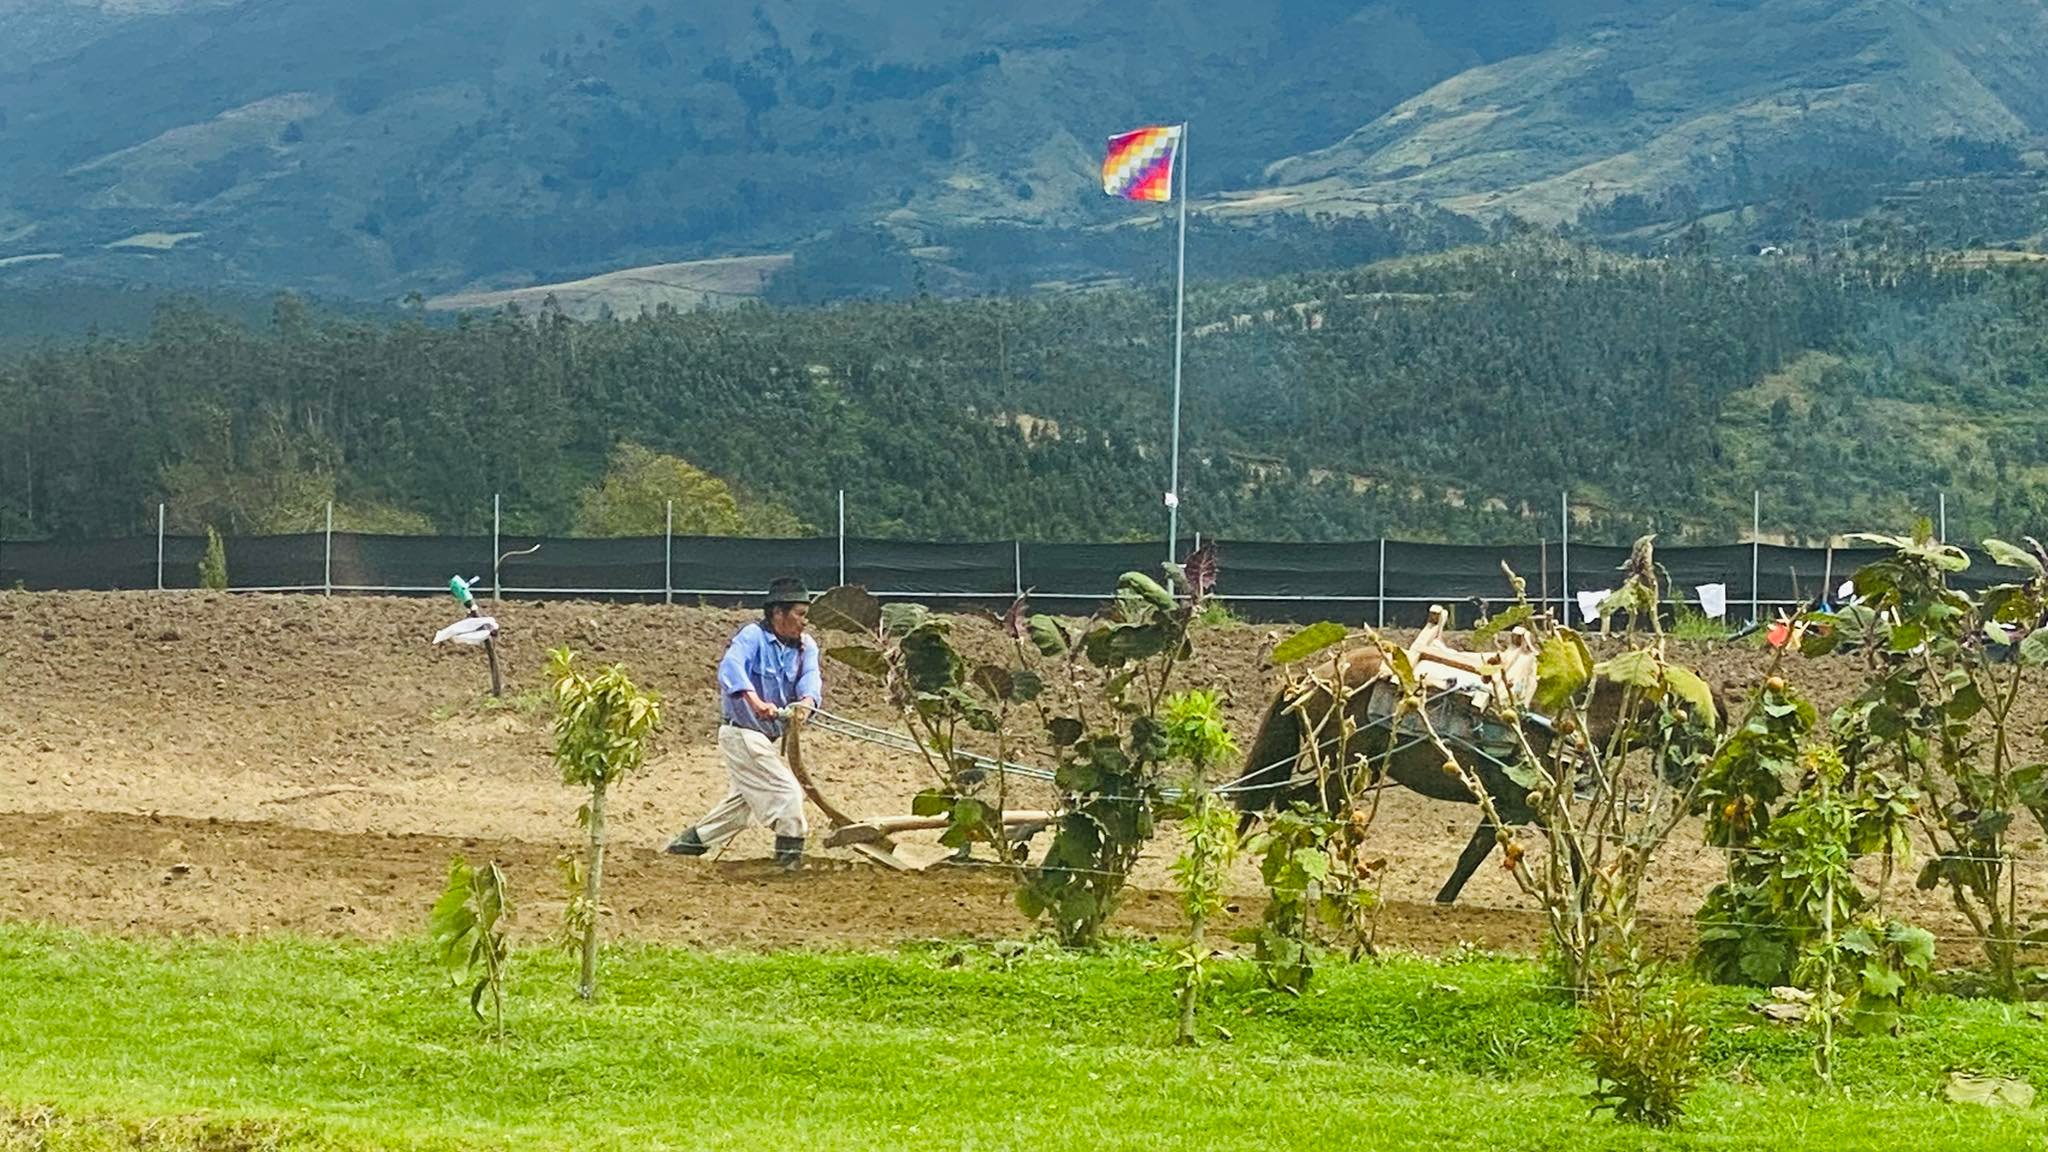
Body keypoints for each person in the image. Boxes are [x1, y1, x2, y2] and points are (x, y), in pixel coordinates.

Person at [665, 577, 821, 870]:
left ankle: (679, 851)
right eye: (799, 614)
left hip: (767, 739)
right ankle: (788, 863)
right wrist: (756, 702)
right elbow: (731, 668)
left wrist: (807, 703)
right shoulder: (752, 636)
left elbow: (811, 679)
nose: (805, 621)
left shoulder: (806, 647)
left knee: (736, 811)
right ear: (778, 612)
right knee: (787, 793)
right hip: (742, 733)